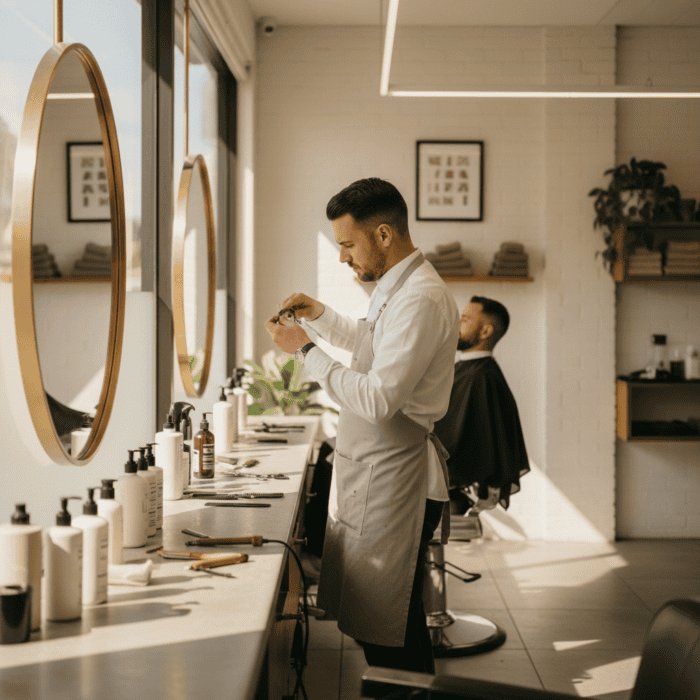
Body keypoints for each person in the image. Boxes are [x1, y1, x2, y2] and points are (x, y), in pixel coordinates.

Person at [265, 177, 459, 673]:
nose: (342, 258)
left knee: (391, 630)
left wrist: (305, 351)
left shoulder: (420, 298)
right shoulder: (398, 287)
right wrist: (320, 316)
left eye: (348, 245)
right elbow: (368, 345)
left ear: (385, 235)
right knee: (381, 623)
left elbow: (376, 398)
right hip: (376, 473)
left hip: (397, 480)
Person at [434, 296, 529, 517]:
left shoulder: (482, 377)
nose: (456, 324)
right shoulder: (470, 369)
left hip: (446, 482)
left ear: (486, 332)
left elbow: (458, 439)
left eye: (465, 320)